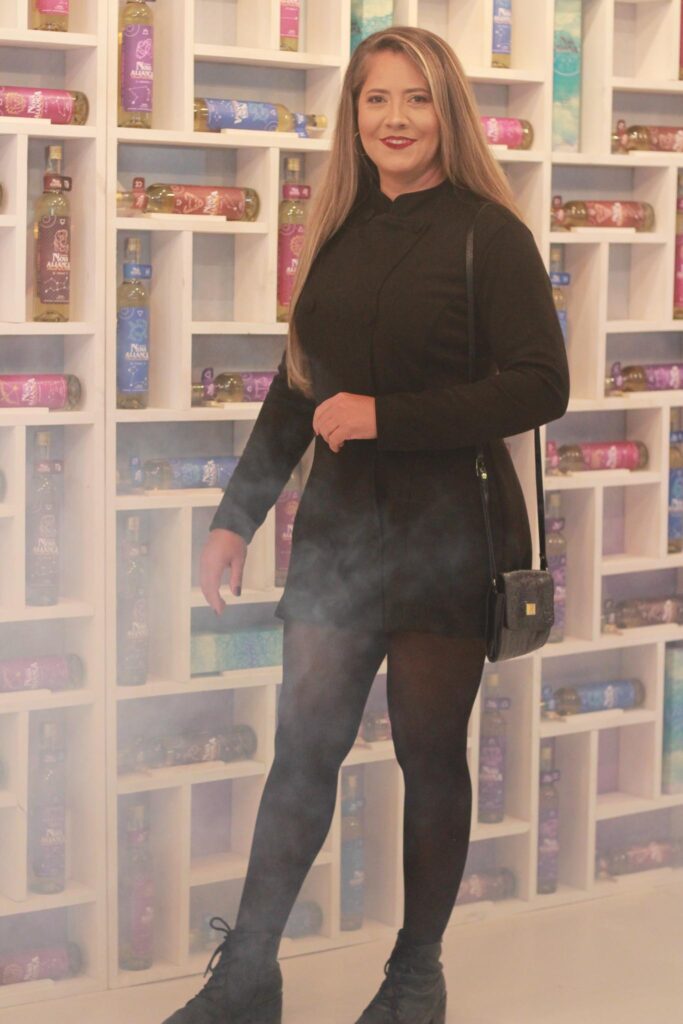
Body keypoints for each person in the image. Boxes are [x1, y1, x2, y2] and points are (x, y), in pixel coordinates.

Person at [162, 24, 569, 1024]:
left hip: (448, 543)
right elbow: (296, 389)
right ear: (353, 115)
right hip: (338, 541)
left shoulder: (488, 235)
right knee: (301, 751)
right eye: (375, 98)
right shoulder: (336, 235)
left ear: (447, 112)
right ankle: (248, 975)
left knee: (428, 755)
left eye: (415, 98)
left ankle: (414, 978)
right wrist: (234, 518)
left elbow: (540, 385)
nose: (394, 118)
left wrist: (388, 417)